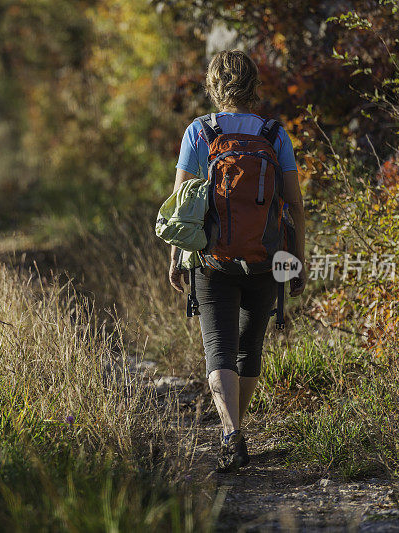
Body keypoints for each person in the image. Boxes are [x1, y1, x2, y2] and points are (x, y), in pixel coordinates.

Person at [168, 50, 307, 473]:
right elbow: (295, 204)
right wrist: (296, 261)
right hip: (266, 259)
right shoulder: (274, 133)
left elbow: (182, 207)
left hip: (212, 260)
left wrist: (176, 257)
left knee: (219, 349)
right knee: (250, 349)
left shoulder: (200, 131)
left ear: (213, 85)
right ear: (254, 86)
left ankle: (231, 432)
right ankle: (235, 428)